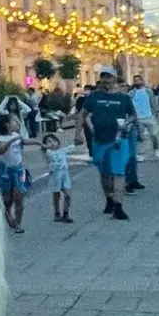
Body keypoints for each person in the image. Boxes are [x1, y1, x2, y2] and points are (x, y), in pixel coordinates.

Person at [78, 67, 135, 221]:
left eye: (109, 78)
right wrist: (78, 133)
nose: (106, 81)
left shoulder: (124, 98)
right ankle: (109, 199)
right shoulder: (95, 97)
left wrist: (126, 125)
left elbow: (133, 116)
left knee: (118, 173)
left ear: (115, 79)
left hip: (118, 141)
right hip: (100, 141)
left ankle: (119, 207)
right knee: (105, 175)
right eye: (103, 78)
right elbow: (82, 115)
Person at [0, 113, 29, 234]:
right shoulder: (1, 138)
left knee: (19, 197)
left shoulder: (17, 136)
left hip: (18, 170)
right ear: (7, 125)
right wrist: (11, 141)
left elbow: (25, 142)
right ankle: (7, 213)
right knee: (7, 199)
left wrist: (41, 144)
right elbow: (0, 150)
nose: (17, 123)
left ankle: (18, 223)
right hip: (5, 171)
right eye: (14, 121)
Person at [43, 132, 73, 223]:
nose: (52, 143)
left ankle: (66, 213)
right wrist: (46, 147)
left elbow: (71, 147)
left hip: (64, 175)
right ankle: (57, 212)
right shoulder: (48, 153)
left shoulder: (62, 151)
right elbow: (48, 153)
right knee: (56, 195)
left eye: (54, 140)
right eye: (49, 141)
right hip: (56, 176)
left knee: (67, 194)